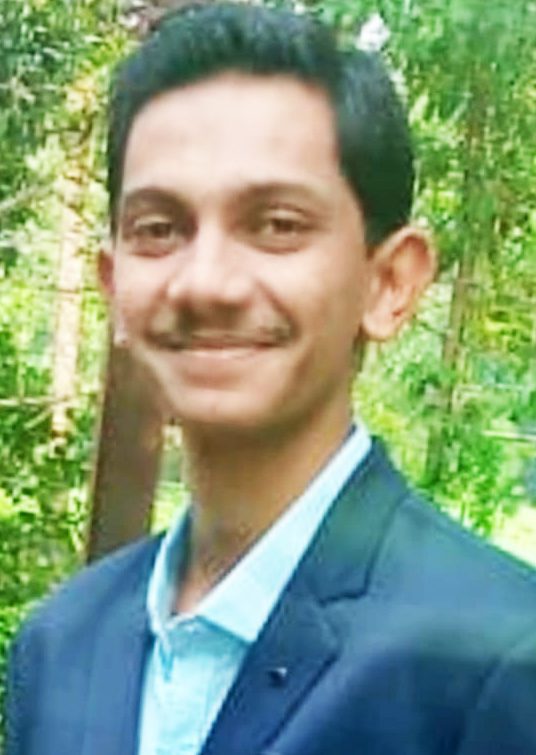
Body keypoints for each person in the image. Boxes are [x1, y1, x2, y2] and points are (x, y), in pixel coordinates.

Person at [6, 4, 536, 754]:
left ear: (390, 282)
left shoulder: (497, 659)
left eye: (277, 224)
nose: (206, 282)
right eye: (159, 229)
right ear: (114, 284)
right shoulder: (61, 643)